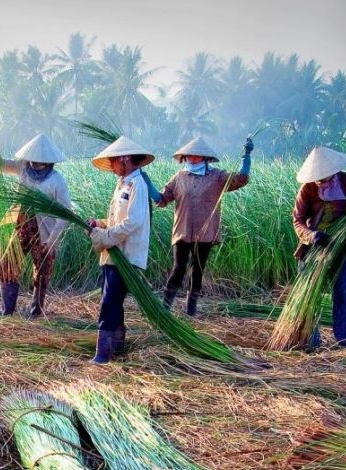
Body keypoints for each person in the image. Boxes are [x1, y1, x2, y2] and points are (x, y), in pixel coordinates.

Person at [154, 136, 254, 316]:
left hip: (205, 233)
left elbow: (240, 179)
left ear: (205, 158)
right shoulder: (179, 177)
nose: (192, 159)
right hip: (182, 232)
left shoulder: (217, 177)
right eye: (189, 156)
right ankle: (164, 309)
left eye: (197, 156)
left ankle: (190, 311)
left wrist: (246, 156)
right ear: (184, 158)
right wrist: (149, 189)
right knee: (178, 269)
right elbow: (163, 199)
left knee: (197, 271)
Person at [0, 125, 71, 317]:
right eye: (32, 161)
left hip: (45, 232)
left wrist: (52, 241)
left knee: (42, 271)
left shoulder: (57, 181)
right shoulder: (23, 168)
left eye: (39, 163)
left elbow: (65, 213)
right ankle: (6, 310)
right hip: (23, 225)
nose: (34, 165)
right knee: (6, 264)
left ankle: (36, 311)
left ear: (49, 162)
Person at [88, 136, 155, 364]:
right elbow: (117, 219)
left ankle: (102, 354)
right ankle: (116, 347)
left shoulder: (137, 185)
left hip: (126, 255)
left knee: (109, 302)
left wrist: (106, 237)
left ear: (125, 159)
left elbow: (132, 221)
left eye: (115, 161)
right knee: (113, 302)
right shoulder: (123, 184)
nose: (113, 166)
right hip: (114, 255)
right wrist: (100, 223)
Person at [292, 146, 346, 348]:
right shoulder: (307, 188)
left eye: (324, 176)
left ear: (333, 171)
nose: (320, 180)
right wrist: (311, 235)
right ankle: (310, 342)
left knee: (343, 294)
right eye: (317, 177)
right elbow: (297, 219)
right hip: (314, 249)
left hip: (342, 248)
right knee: (309, 295)